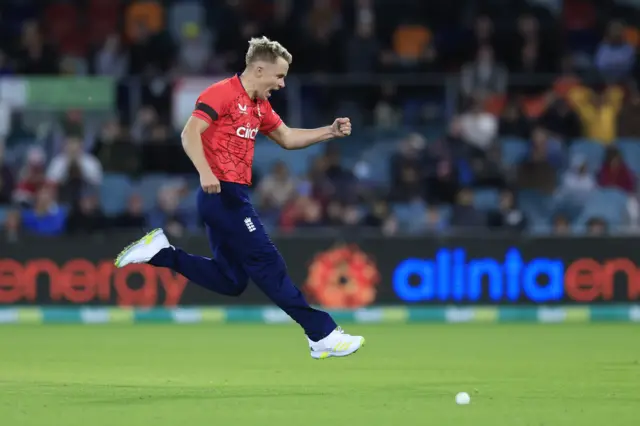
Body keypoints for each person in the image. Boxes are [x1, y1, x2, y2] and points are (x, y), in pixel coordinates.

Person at [113, 36, 364, 359]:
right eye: (279, 76)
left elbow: (286, 137)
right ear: (259, 69)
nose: (282, 84)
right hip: (221, 193)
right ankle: (322, 334)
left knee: (231, 281)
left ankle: (162, 253)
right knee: (268, 262)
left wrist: (328, 131)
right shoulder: (222, 93)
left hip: (229, 196)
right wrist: (205, 171)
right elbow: (189, 133)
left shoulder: (259, 106)